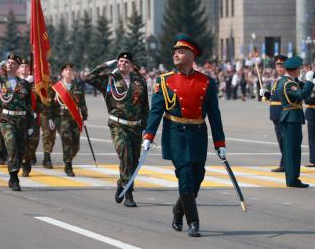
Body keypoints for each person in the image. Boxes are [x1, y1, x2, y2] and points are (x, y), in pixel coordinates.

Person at [142, 33, 226, 237]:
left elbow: (214, 115)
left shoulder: (207, 82)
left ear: (192, 55)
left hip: (198, 134)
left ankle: (178, 210)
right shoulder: (165, 81)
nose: (176, 54)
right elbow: (156, 111)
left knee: (198, 177)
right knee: (186, 177)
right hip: (176, 135)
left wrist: (219, 142)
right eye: (175, 51)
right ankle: (194, 222)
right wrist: (148, 136)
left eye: (181, 51)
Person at [85, 52, 149, 207]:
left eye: (126, 62)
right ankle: (128, 194)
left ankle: (122, 183)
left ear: (131, 65)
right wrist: (106, 64)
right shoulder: (110, 79)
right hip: (117, 125)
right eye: (120, 61)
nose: (123, 64)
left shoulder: (139, 81)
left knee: (133, 162)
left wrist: (146, 129)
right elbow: (89, 78)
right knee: (126, 156)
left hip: (135, 126)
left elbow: (145, 106)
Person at [0, 54, 35, 191]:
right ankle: (14, 177)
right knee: (11, 148)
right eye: (8, 62)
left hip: (21, 121)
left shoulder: (24, 84)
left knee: (20, 150)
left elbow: (29, 105)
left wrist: (30, 125)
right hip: (6, 120)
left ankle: (14, 174)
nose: (10, 65)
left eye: (13, 63)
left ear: (17, 67)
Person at [277, 56, 314, 188]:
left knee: (290, 150)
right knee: (293, 150)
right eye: (298, 69)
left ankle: (291, 178)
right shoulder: (288, 84)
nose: (300, 71)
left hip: (290, 118)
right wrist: (309, 81)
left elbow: (303, 88)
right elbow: (302, 95)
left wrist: (309, 83)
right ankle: (292, 179)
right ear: (293, 70)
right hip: (291, 118)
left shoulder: (289, 81)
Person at [50, 63, 88, 177]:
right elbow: (51, 104)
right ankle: (68, 165)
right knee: (67, 140)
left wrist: (85, 117)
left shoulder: (78, 88)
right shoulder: (56, 88)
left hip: (74, 118)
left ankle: (67, 159)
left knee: (76, 146)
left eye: (71, 70)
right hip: (61, 118)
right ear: (62, 73)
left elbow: (82, 104)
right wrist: (50, 118)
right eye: (66, 70)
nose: (69, 72)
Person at [259, 55, 287, 172]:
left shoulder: (286, 81)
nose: (278, 68)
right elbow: (275, 98)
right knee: (281, 141)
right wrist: (266, 94)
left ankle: (285, 165)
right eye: (277, 65)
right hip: (276, 116)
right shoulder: (278, 81)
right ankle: (285, 164)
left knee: (284, 141)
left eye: (281, 65)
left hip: (282, 115)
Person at [17, 59, 42, 177]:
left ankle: (27, 161)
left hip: (33, 119)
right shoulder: (15, 83)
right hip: (19, 118)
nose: (24, 68)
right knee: (21, 144)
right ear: (18, 69)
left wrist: (37, 111)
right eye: (22, 66)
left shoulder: (36, 84)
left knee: (32, 144)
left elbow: (42, 101)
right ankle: (24, 166)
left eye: (26, 66)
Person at [305, 62, 315, 168]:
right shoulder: (310, 80)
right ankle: (313, 160)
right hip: (312, 112)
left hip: (312, 111)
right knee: (312, 139)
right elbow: (307, 99)